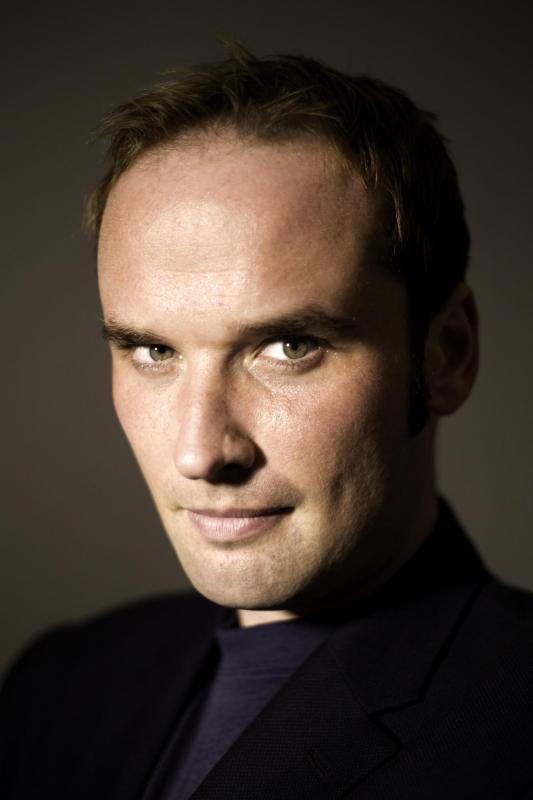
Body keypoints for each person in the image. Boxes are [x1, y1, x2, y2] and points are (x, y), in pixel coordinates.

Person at [1, 44, 532, 799]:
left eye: (288, 347)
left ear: (446, 353)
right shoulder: (58, 686)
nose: (199, 452)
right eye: (153, 350)